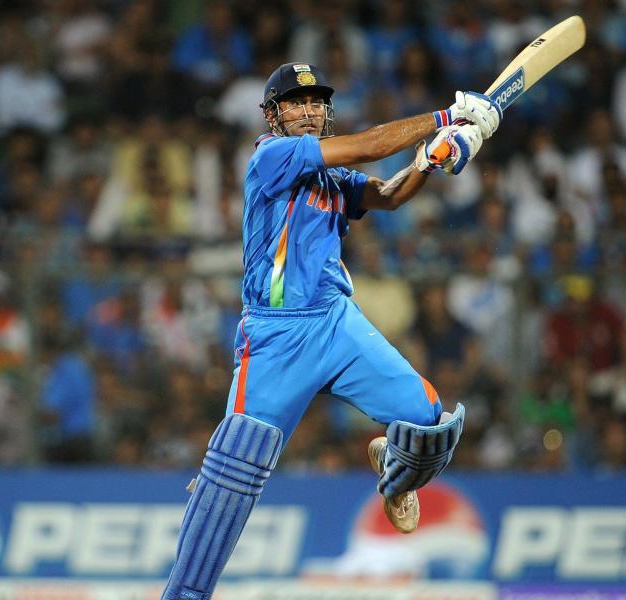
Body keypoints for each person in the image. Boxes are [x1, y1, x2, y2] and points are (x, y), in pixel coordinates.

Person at [160, 62, 501, 600]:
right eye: (295, 102)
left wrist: (431, 160)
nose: (308, 110)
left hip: (335, 322)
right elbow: (366, 146)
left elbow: (387, 194)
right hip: (274, 335)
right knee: (233, 471)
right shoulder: (270, 156)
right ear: (273, 115)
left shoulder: (330, 179)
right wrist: (446, 115)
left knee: (430, 427)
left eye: (316, 102)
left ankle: (395, 467)